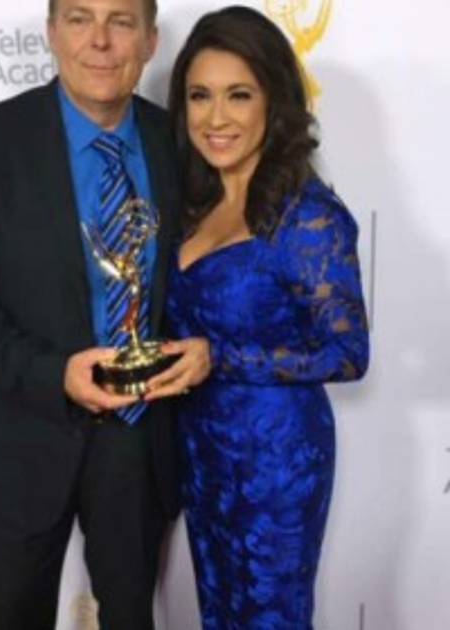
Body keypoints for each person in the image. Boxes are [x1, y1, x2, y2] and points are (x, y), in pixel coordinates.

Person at [0, 0, 209, 627]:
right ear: (53, 33)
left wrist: (206, 344)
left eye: (121, 22)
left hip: (139, 441)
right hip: (20, 437)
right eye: (80, 19)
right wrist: (56, 374)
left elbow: (209, 272)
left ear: (151, 41)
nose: (100, 41)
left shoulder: (181, 144)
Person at [154, 6, 370, 627]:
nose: (215, 118)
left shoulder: (308, 216)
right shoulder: (194, 203)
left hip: (276, 460)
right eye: (199, 95)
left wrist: (219, 356)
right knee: (219, 612)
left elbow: (349, 353)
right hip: (202, 452)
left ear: (273, 103)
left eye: (238, 95)